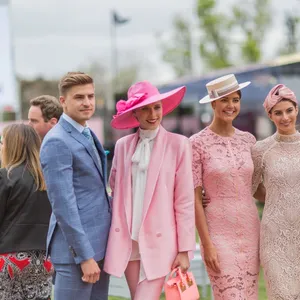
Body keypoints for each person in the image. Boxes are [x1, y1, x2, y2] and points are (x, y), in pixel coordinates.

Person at [104, 81, 195, 300]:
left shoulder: (178, 144)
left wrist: (184, 250)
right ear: (134, 112)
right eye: (145, 108)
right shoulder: (123, 146)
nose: (153, 114)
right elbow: (115, 188)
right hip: (128, 241)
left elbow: (184, 201)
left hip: (160, 241)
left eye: (156, 107)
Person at [40, 72, 111, 300]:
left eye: (91, 96)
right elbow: (64, 206)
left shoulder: (86, 132)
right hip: (77, 254)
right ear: (63, 101)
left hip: (98, 246)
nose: (87, 102)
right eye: (79, 97)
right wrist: (85, 257)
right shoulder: (57, 141)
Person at [190, 74, 260, 299]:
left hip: (251, 231)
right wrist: (206, 244)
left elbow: (257, 187)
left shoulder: (249, 140)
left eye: (236, 100)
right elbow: (194, 200)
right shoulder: (196, 143)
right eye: (225, 100)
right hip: (218, 235)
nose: (231, 106)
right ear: (213, 103)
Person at [252, 84, 300, 299]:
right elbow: (252, 188)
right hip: (274, 237)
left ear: (296, 109)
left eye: (289, 110)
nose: (285, 117)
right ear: (270, 116)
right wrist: (277, 198)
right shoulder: (261, 150)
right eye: (278, 113)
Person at [0, 124, 53, 300]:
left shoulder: (5, 176)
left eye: (2, 142)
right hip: (43, 259)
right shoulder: (47, 178)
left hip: (9, 259)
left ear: (12, 145)